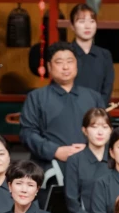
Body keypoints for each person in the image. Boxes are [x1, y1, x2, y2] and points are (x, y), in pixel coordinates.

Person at [19, 42, 103, 186]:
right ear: (49, 66)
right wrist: (55, 151)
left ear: (76, 65)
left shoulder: (93, 97)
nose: (65, 67)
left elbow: (105, 131)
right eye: (59, 62)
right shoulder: (37, 97)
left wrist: (90, 149)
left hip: (89, 166)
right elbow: (27, 133)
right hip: (50, 166)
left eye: (70, 62)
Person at [70, 3, 114, 101]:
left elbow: (107, 89)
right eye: (81, 21)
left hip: (97, 112)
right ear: (72, 26)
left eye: (92, 21)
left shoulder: (104, 55)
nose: (87, 26)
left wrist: (97, 111)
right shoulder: (65, 53)